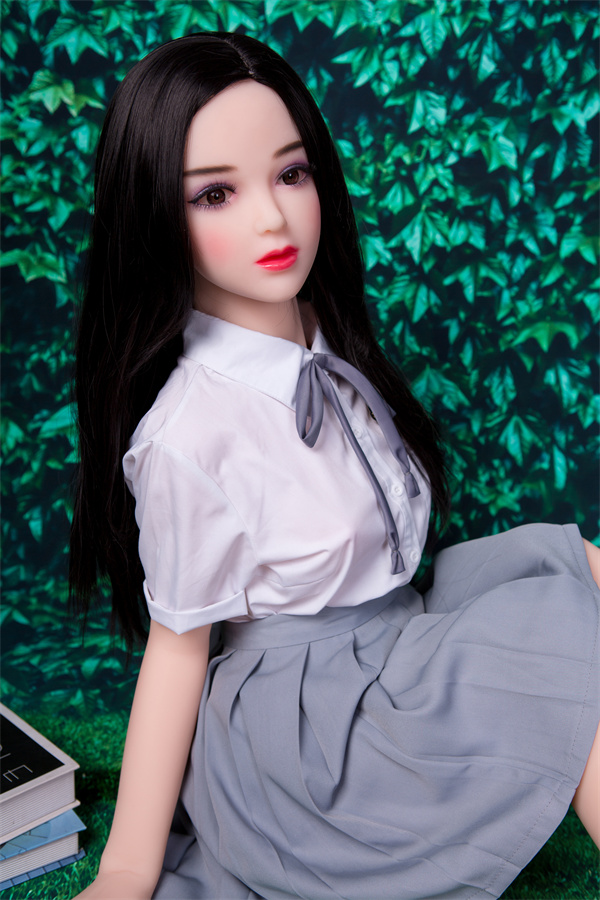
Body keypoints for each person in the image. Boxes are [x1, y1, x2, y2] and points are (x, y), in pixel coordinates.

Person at [70, 31, 600, 900]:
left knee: (575, 566)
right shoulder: (188, 436)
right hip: (313, 728)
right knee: (562, 642)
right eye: (215, 194)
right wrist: (127, 868)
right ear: (153, 216)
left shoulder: (326, 338)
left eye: (291, 174)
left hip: (397, 630)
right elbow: (177, 650)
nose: (272, 219)